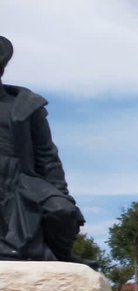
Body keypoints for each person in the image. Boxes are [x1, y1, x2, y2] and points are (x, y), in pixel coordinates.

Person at [0, 36, 88, 264]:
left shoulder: (26, 105)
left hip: (21, 178)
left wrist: (63, 194)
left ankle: (60, 258)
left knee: (62, 211)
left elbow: (47, 156)